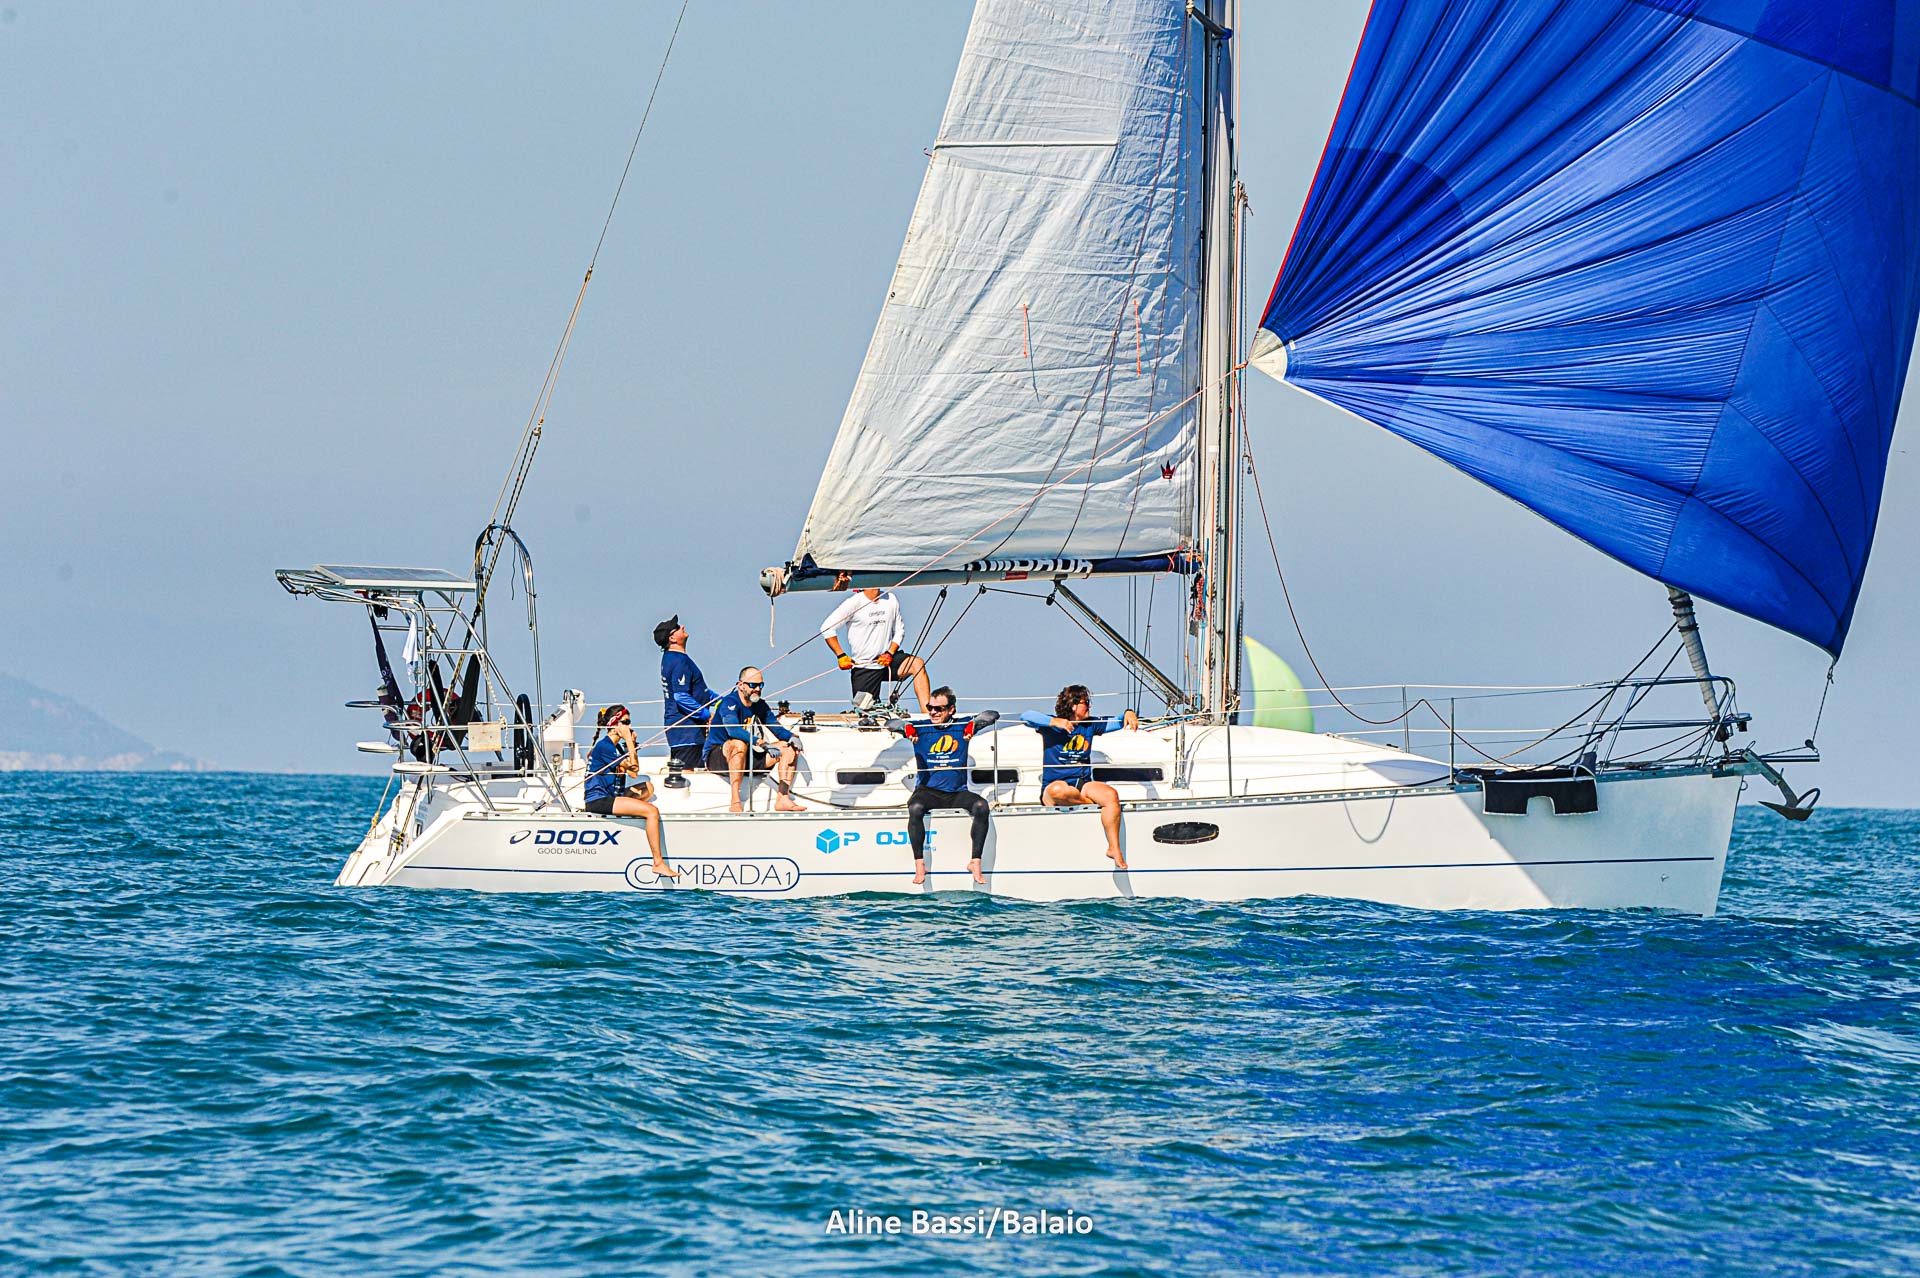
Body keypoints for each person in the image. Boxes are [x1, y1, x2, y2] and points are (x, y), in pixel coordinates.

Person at [887, 688, 999, 886]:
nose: (933, 712)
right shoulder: (921, 727)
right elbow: (891, 723)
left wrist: (973, 726)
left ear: (951, 709)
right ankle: (920, 864)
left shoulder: (962, 726)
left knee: (981, 806)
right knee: (915, 807)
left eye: (939, 709)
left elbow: (992, 715)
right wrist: (907, 728)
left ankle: (975, 861)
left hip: (956, 792)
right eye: (930, 707)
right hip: (928, 791)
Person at [1021, 685, 1140, 869]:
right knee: (1059, 791)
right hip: (1055, 787)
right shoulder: (1051, 726)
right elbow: (1026, 716)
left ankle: (1114, 848)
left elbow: (1117, 722)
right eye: (1086, 703)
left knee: (1110, 795)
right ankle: (1093, 805)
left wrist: (1128, 712)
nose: (1089, 707)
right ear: (1073, 705)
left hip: (1082, 784)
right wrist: (1055, 722)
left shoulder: (1089, 725)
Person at [584, 704, 679, 879]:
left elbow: (633, 774)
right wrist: (629, 741)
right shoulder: (605, 746)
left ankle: (631, 809)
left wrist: (631, 745)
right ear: (615, 725)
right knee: (652, 811)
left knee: (648, 788)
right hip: (598, 800)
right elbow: (633, 768)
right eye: (626, 722)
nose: (629, 726)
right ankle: (658, 863)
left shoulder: (615, 748)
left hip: (611, 795)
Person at [706, 667, 806, 813]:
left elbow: (776, 728)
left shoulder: (760, 705)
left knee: (787, 748)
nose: (757, 689)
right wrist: (760, 742)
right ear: (741, 685)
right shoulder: (729, 703)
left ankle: (783, 798)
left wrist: (792, 737)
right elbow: (733, 730)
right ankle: (735, 801)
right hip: (719, 757)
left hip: (748, 755)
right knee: (738, 744)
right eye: (753, 685)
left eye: (761, 685)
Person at [820, 585, 930, 712]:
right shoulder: (854, 603)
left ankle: (927, 715)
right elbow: (826, 628)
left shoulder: (891, 599)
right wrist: (841, 655)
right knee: (866, 713)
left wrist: (890, 653)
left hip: (887, 661)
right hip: (865, 667)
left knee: (917, 664)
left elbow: (900, 631)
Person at [656, 615, 717, 782]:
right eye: (677, 627)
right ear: (672, 638)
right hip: (686, 730)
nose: (682, 626)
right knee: (687, 774)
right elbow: (681, 696)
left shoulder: (671, 658)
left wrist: (722, 701)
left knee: (691, 770)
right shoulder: (679, 661)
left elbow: (700, 690)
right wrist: (706, 715)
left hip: (685, 729)